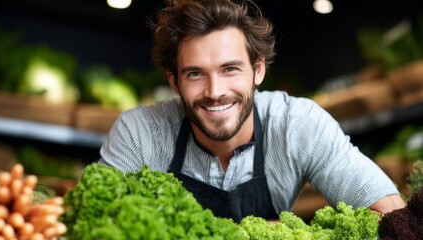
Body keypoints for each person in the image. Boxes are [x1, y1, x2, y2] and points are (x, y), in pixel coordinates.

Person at [99, 0, 405, 222]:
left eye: (230, 69)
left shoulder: (297, 124)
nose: (215, 91)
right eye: (195, 74)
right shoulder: (139, 132)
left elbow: (391, 216)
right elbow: (94, 221)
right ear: (174, 82)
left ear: (258, 70)